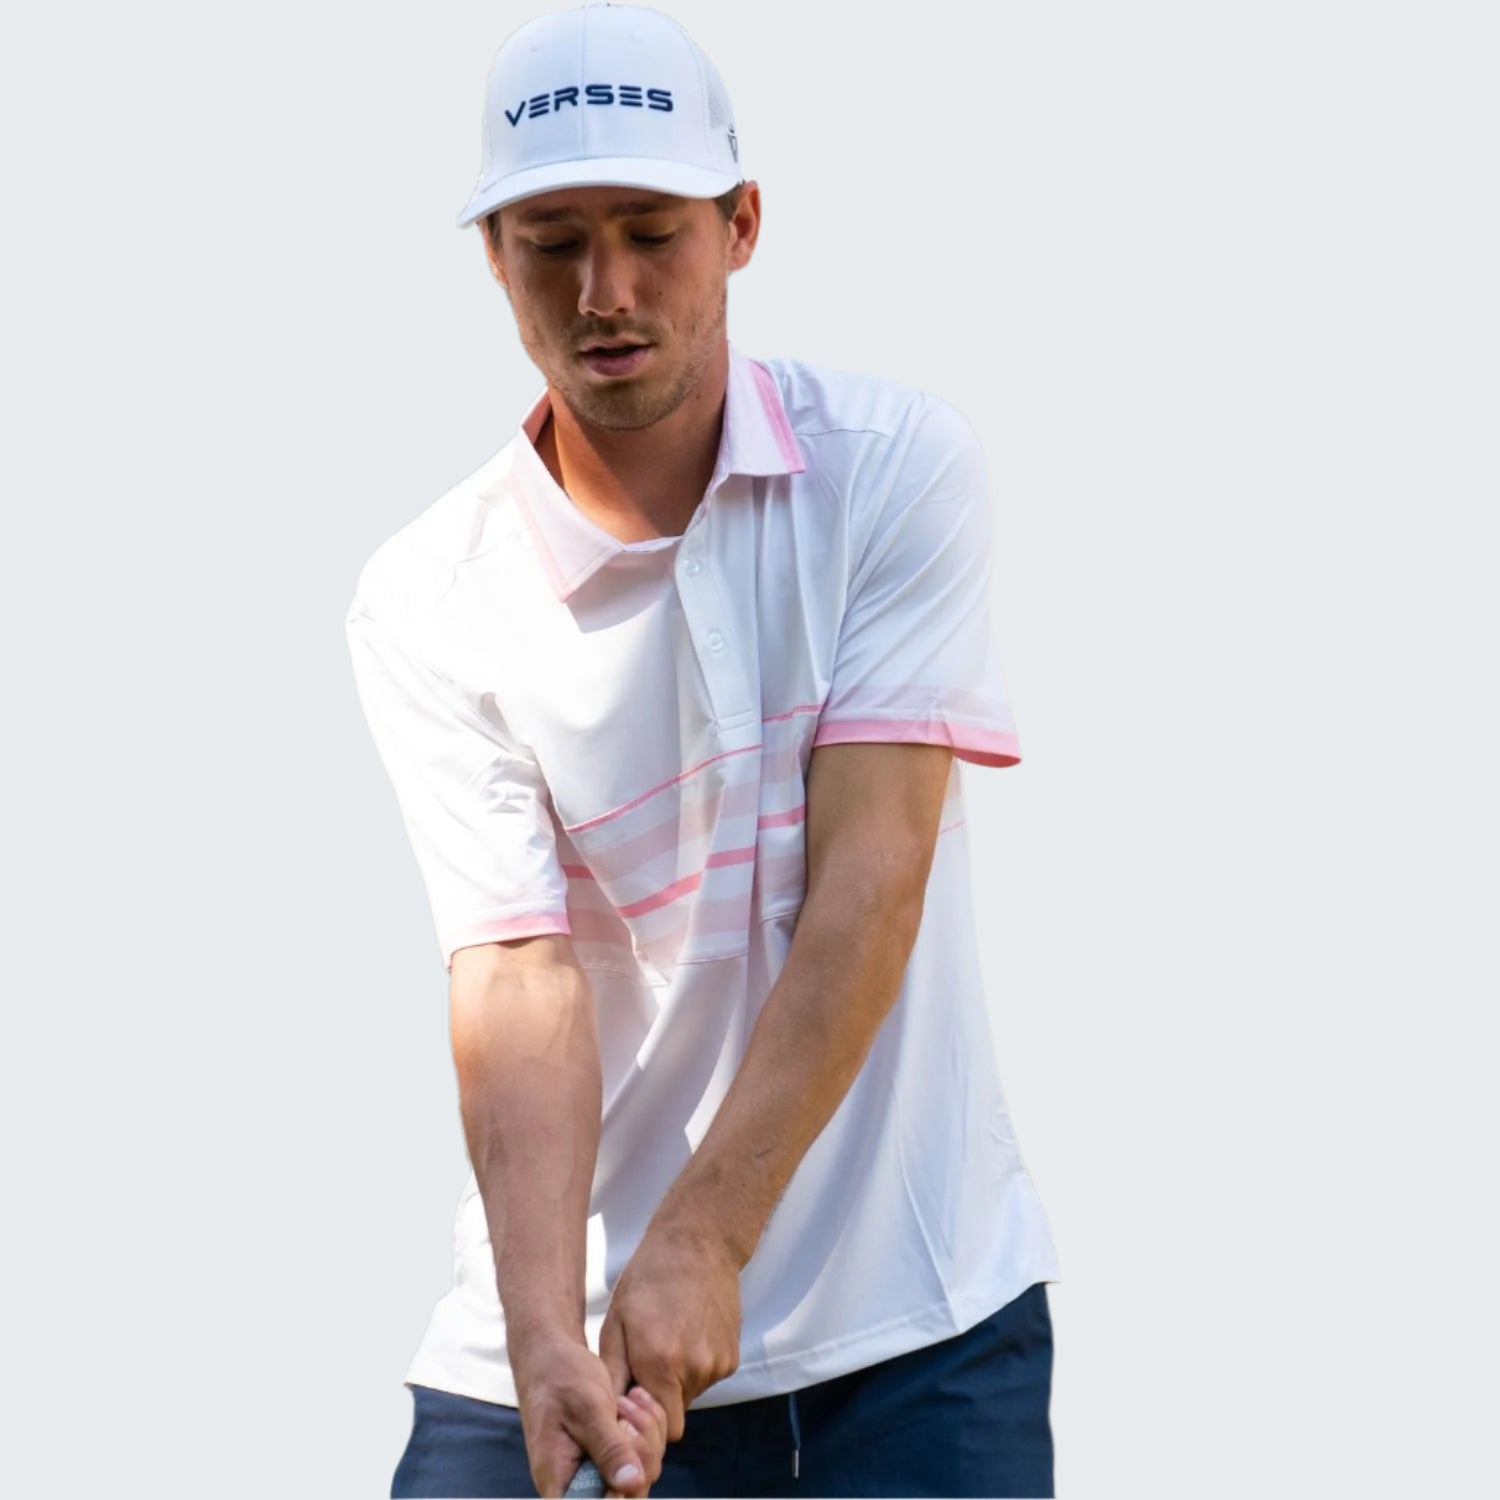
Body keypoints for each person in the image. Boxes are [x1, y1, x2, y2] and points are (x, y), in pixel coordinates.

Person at [344, 4, 1062, 1495]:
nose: (604, 291)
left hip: (909, 1336)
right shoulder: (427, 594)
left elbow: (872, 879)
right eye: (551, 240)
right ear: (492, 255)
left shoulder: (893, 473)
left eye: (650, 230)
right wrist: (545, 1332)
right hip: (563, 1339)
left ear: (741, 225)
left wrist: (702, 1237)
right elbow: (516, 977)